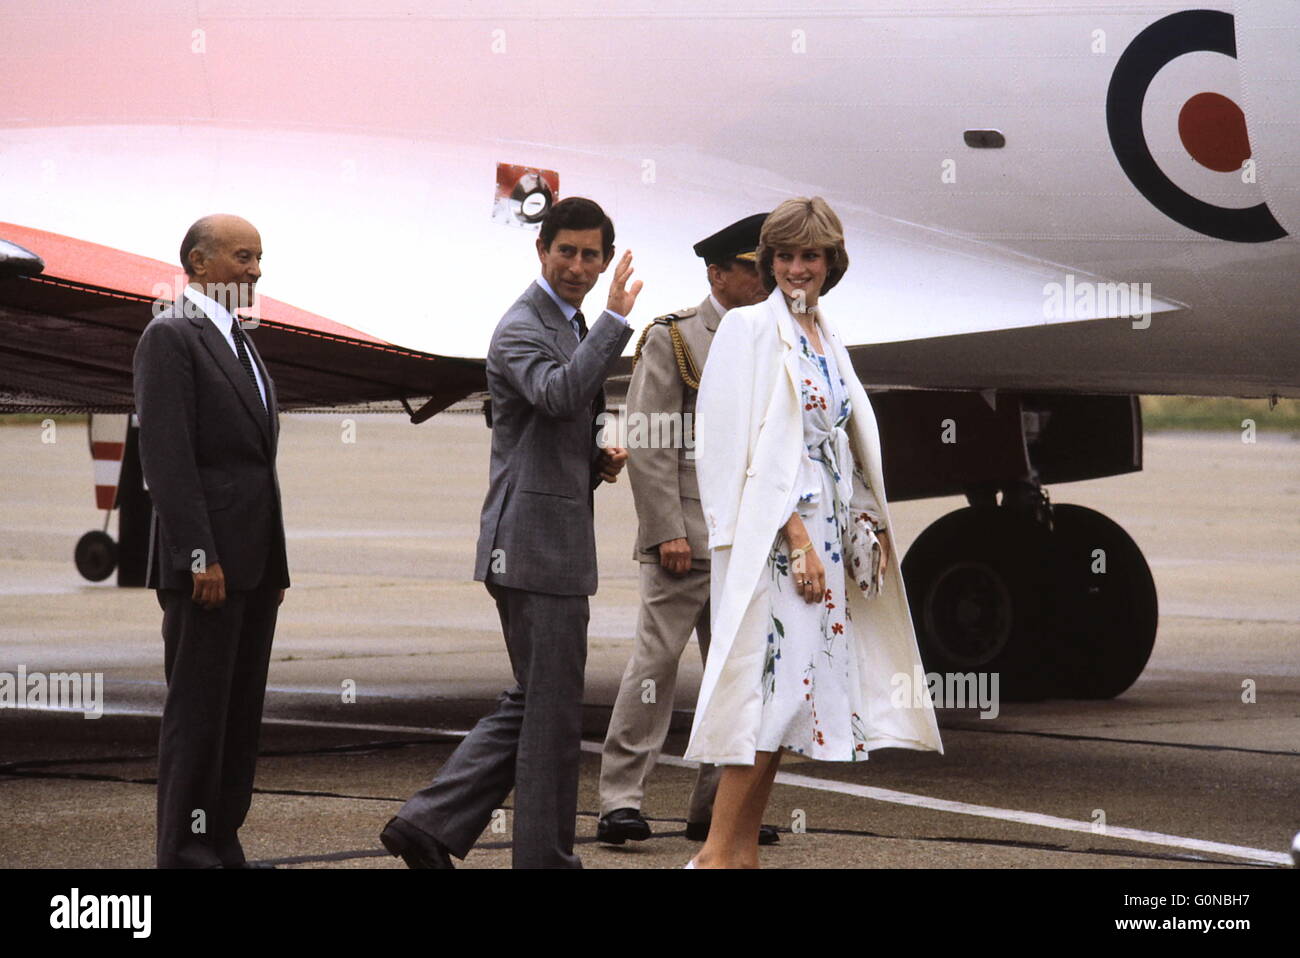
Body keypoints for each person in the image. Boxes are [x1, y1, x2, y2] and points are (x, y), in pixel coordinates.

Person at [685, 197, 944, 869]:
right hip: (778, 549)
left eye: (811, 256)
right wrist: (796, 537)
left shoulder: (826, 334)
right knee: (765, 707)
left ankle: (740, 855)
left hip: (825, 549)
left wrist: (867, 522)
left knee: (793, 705)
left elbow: (837, 446)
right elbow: (733, 455)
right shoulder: (749, 330)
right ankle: (716, 855)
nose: (798, 268)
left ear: (832, 263)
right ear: (768, 262)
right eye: (786, 256)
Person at [381, 196, 638, 869]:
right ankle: (544, 861)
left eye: (591, 255)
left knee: (534, 704)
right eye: (566, 252)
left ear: (605, 258)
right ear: (541, 251)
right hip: (532, 548)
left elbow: (547, 425)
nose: (578, 266)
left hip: (546, 539)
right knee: (550, 721)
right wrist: (615, 321)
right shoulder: (523, 327)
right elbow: (556, 395)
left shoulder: (572, 325)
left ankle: (429, 826)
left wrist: (593, 459)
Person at [597, 213, 781, 847]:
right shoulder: (674, 338)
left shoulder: (775, 334)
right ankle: (620, 799)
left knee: (740, 677)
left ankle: (717, 811)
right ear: (718, 273)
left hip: (749, 540)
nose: (765, 279)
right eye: (753, 268)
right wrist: (665, 530)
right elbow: (649, 441)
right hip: (688, 537)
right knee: (655, 666)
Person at [133, 213, 289, 868]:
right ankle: (186, 854)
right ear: (198, 264)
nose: (254, 270)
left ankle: (221, 842)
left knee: (237, 717)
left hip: (255, 564)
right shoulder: (170, 337)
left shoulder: (237, 339)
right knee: (198, 718)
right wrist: (200, 554)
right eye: (241, 257)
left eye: (258, 258)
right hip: (209, 565)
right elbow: (168, 460)